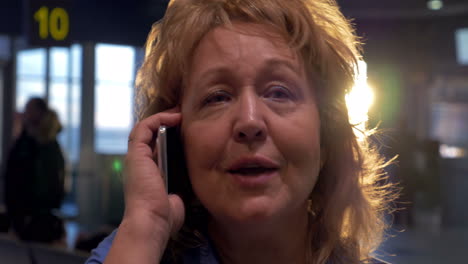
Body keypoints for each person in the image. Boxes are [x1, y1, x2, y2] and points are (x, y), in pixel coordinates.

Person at [86, 0, 394, 263]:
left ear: (326, 134)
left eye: (278, 93)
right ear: (176, 139)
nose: (249, 122)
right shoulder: (131, 251)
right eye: (217, 97)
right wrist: (146, 229)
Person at [4, 97, 65, 243]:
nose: (25, 112)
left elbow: (47, 182)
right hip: (25, 214)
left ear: (39, 113)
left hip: (34, 216)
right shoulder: (27, 142)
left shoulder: (44, 146)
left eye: (29, 109)